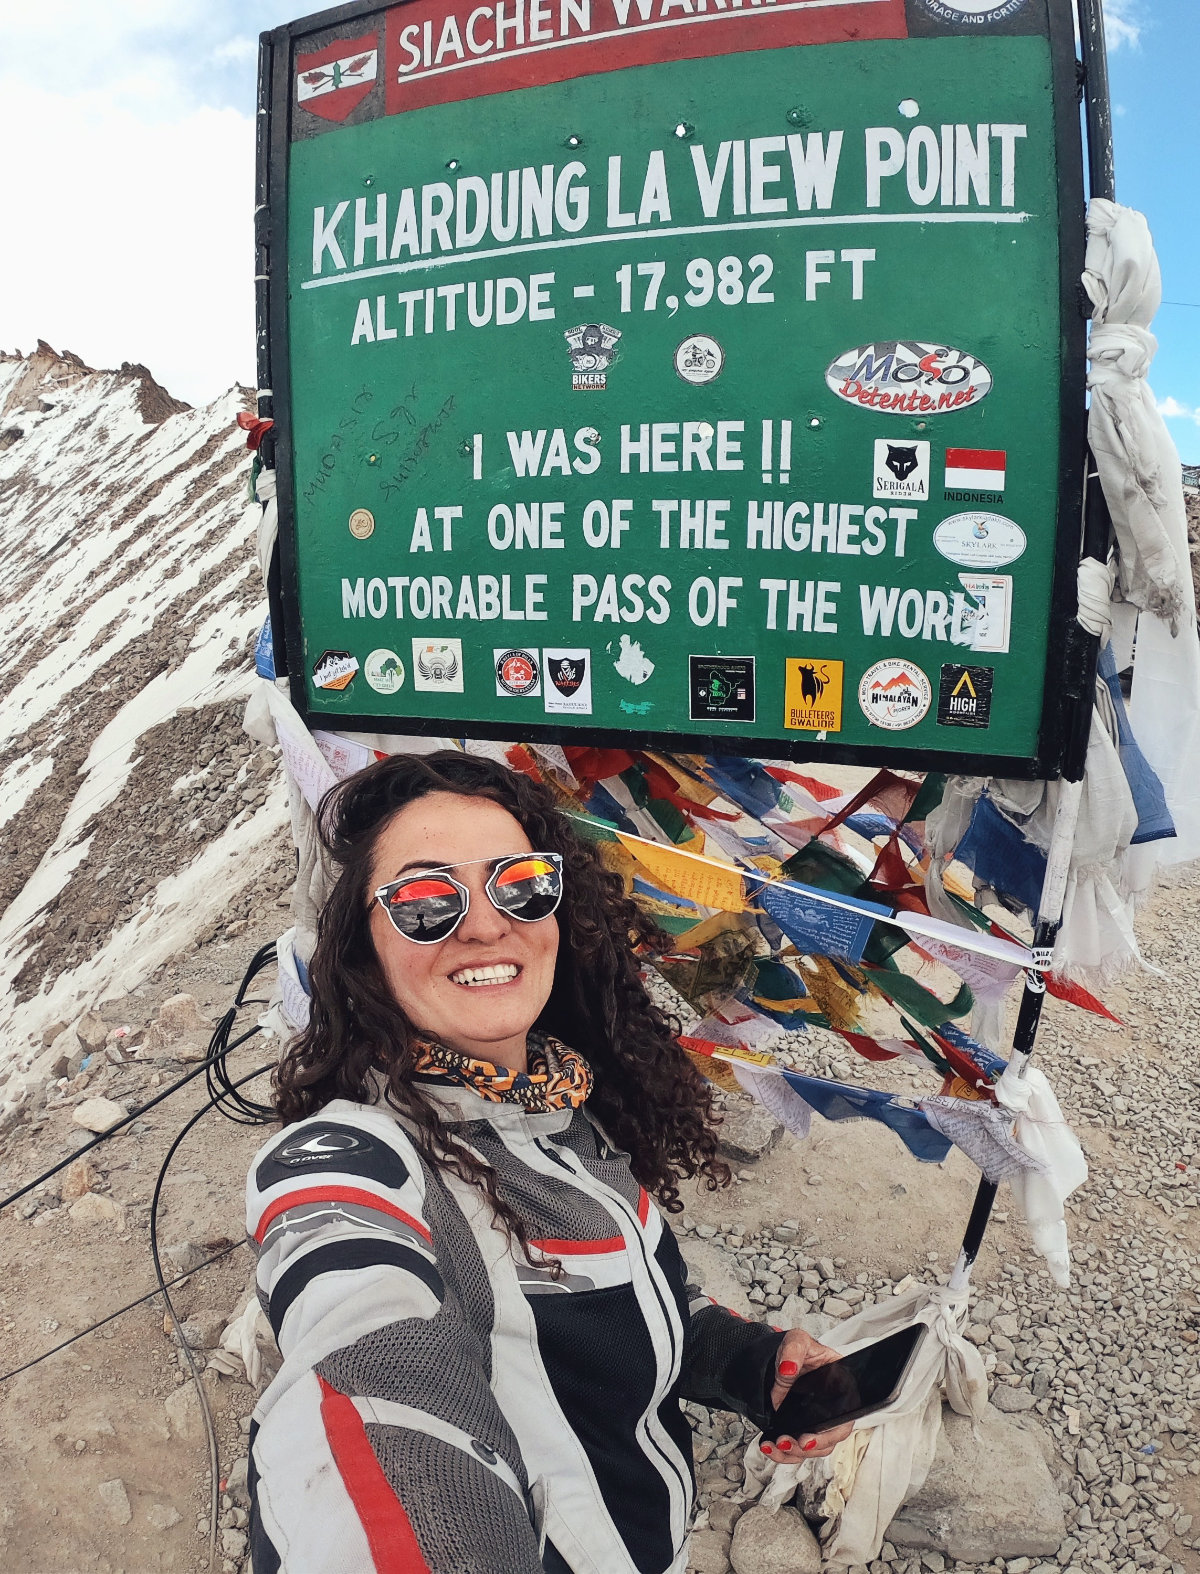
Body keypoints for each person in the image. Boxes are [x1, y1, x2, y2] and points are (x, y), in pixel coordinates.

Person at [246, 751, 851, 1573]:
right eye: (427, 901)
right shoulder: (357, 1160)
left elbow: (631, 1308)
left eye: (519, 882)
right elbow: (364, 1360)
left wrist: (750, 1366)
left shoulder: (563, 1109)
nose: (488, 924)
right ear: (364, 953)